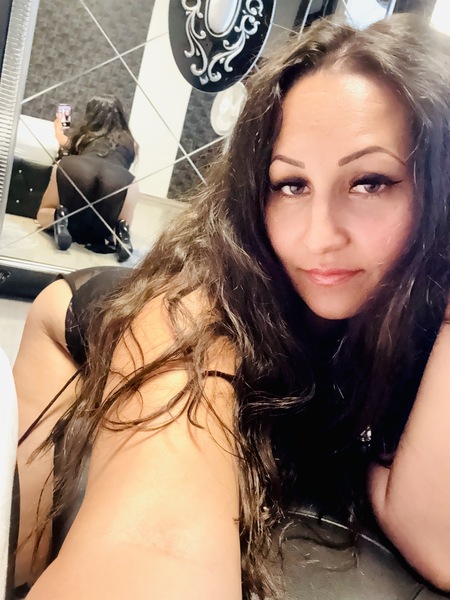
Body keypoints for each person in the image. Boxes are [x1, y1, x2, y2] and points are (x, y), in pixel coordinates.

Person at [13, 13, 450, 599]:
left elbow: (437, 538)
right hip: (78, 319)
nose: (319, 235)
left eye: (369, 182)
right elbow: (155, 543)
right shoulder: (204, 308)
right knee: (16, 554)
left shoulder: (429, 297)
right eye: (290, 184)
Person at [36, 95, 139, 262]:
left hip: (78, 169)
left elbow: (66, 145)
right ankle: (121, 232)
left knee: (44, 212)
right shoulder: (131, 142)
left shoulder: (85, 134)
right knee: (116, 220)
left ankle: (58, 217)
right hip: (120, 178)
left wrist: (58, 130)